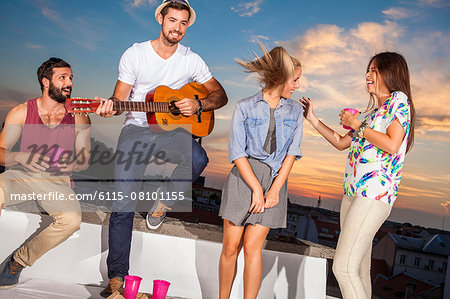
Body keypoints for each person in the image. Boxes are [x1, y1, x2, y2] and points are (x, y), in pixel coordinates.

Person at [96, 0, 228, 296]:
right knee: (123, 203)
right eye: (173, 21)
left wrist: (199, 103)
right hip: (136, 130)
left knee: (198, 158)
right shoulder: (136, 53)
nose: (177, 28)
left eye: (183, 23)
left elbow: (220, 95)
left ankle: (164, 201)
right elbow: (119, 98)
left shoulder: (191, 60)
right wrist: (109, 108)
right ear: (161, 20)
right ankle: (117, 275)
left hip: (170, 132)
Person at [301, 52, 415, 298]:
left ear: (390, 73)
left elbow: (393, 144)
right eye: (369, 70)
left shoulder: (399, 100)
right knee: (360, 269)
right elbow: (341, 143)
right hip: (353, 194)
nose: (367, 75)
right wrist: (312, 119)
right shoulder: (373, 113)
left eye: (374, 70)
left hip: (374, 194)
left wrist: (357, 125)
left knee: (343, 268)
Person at [218, 45, 303, 299]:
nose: (297, 86)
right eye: (295, 79)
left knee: (253, 248)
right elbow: (237, 152)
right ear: (280, 77)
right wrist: (256, 187)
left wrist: (274, 190)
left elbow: (292, 153)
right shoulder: (244, 107)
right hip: (244, 179)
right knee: (231, 247)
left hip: (275, 183)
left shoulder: (296, 110)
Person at [0, 57, 91, 289]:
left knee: (71, 220)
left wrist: (70, 162)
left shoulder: (80, 116)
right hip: (22, 174)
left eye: (71, 78)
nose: (69, 83)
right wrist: (19, 157)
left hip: (57, 181)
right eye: (62, 78)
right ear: (45, 82)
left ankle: (17, 262)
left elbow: (84, 161)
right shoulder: (21, 112)